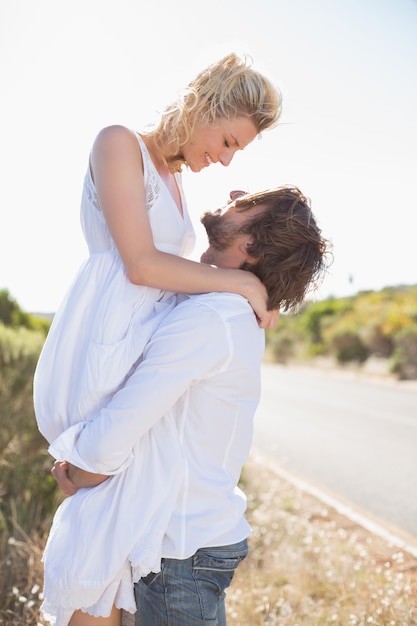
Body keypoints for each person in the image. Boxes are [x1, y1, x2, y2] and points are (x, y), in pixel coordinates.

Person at [33, 52, 281, 626]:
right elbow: (142, 265)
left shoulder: (174, 181)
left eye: (233, 152)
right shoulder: (118, 142)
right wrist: (240, 280)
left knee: (121, 539)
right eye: (226, 142)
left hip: (136, 347)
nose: (222, 160)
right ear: (204, 106)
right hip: (105, 340)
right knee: (100, 525)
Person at [47, 186, 331, 626]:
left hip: (180, 556)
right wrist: (248, 282)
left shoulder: (211, 318)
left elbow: (127, 418)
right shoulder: (220, 307)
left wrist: (81, 469)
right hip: (182, 547)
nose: (235, 192)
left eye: (246, 203)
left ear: (250, 245)